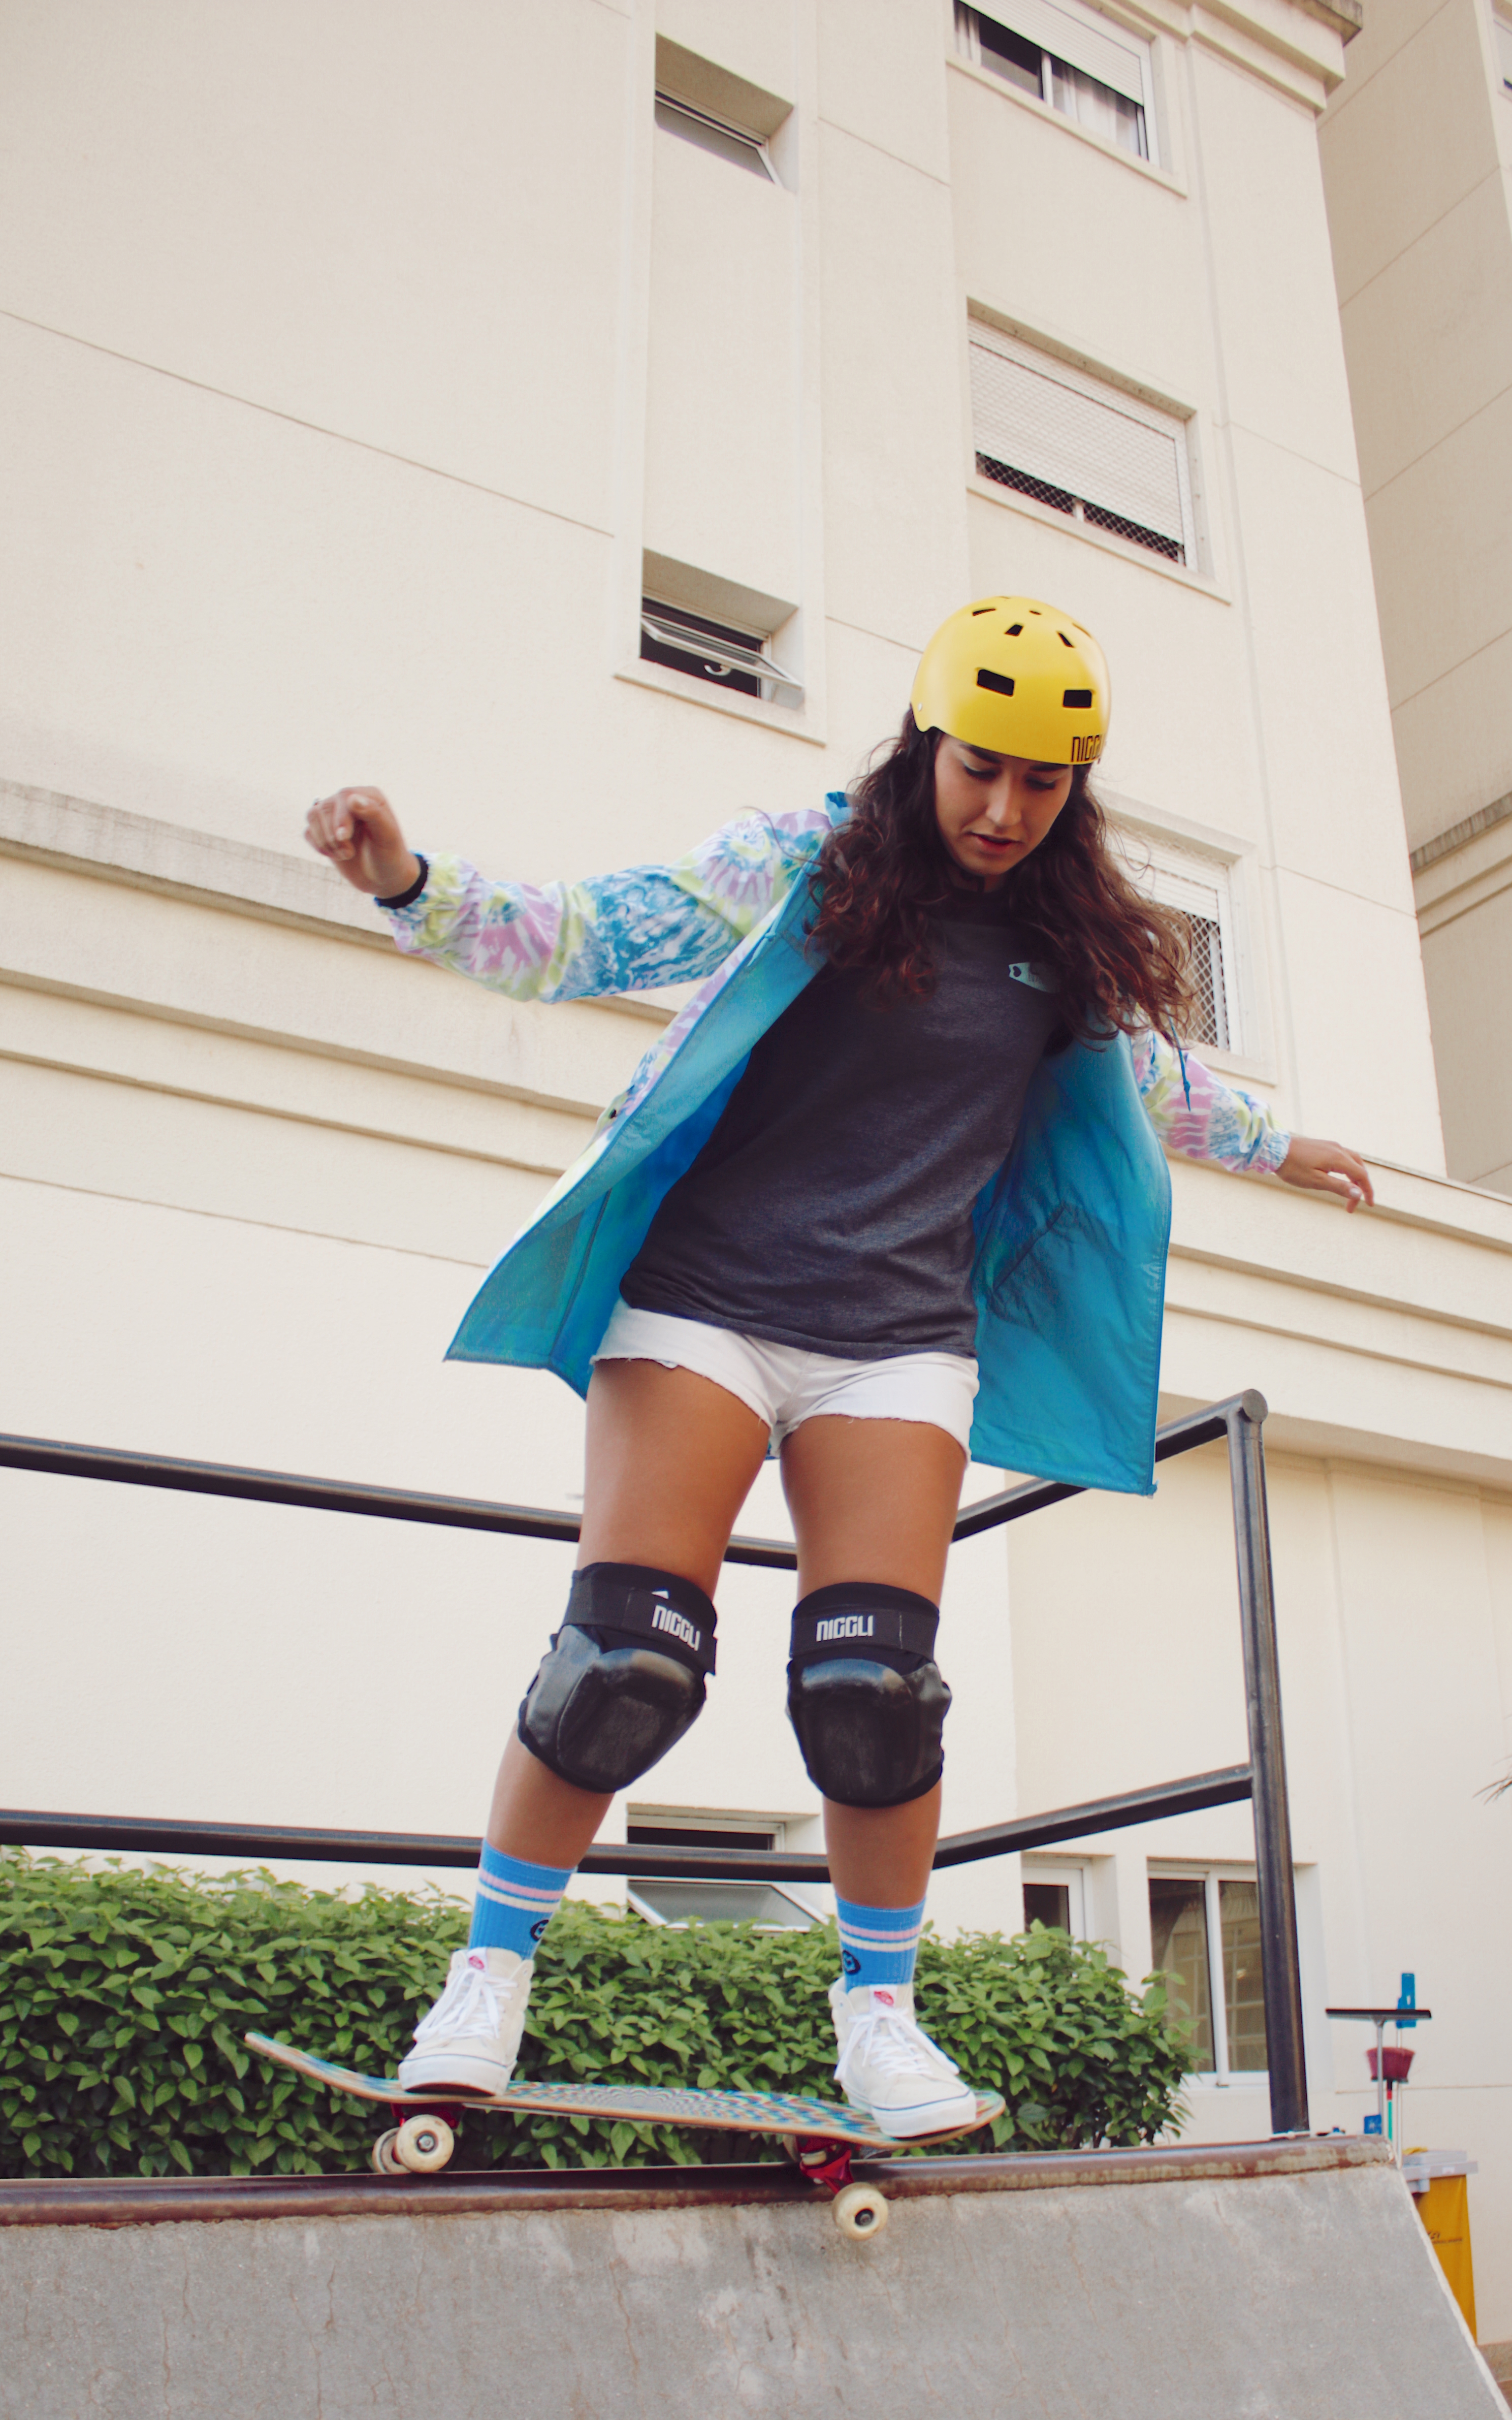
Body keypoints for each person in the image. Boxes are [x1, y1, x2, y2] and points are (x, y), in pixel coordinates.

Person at [305, 595, 1372, 2137]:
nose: (1007, 812)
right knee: (626, 1660)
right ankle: (489, 1981)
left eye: (1045, 783)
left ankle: (878, 2017)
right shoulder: (809, 860)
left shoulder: (1063, 942)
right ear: (927, 743)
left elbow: (1148, 1077)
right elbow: (602, 931)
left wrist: (1281, 1141)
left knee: (875, 1692)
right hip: (705, 1308)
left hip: (901, 1341)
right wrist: (411, 882)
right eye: (981, 769)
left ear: (1079, 787)